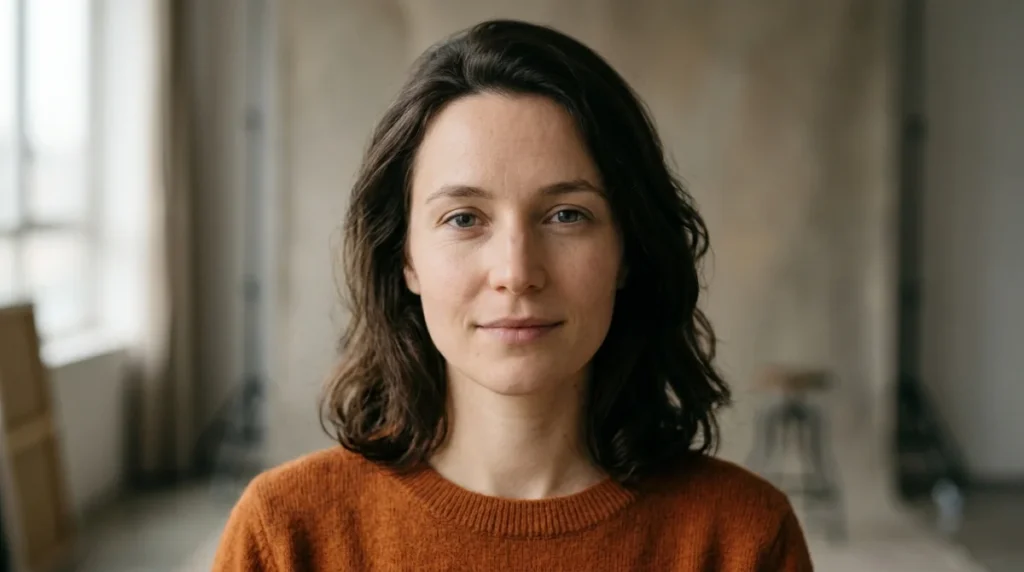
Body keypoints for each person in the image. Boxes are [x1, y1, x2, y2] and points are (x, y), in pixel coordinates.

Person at [213, 19, 812, 571]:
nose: (517, 271)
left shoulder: (743, 539)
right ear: (405, 258)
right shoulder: (287, 535)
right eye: (463, 218)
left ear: (628, 251)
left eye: (567, 214)